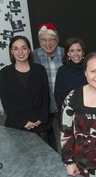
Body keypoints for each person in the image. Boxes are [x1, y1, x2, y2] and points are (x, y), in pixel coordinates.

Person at [0, 35, 51, 143]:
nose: (20, 52)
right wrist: (23, 122)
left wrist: (41, 119)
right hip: (16, 122)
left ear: (29, 50)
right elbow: (6, 103)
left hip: (39, 121)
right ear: (11, 52)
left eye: (24, 48)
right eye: (16, 48)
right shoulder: (4, 73)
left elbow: (46, 96)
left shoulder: (40, 70)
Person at [32, 23, 64, 151]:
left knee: (67, 133)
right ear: (39, 40)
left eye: (51, 39)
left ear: (57, 40)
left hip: (63, 101)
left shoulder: (66, 53)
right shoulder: (32, 56)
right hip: (44, 104)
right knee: (47, 138)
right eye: (43, 40)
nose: (48, 43)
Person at [54, 37, 88, 113]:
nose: (76, 54)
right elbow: (58, 95)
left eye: (78, 50)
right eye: (72, 51)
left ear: (83, 53)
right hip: (68, 113)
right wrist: (65, 112)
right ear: (68, 53)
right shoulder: (62, 71)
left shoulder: (89, 69)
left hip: (88, 112)